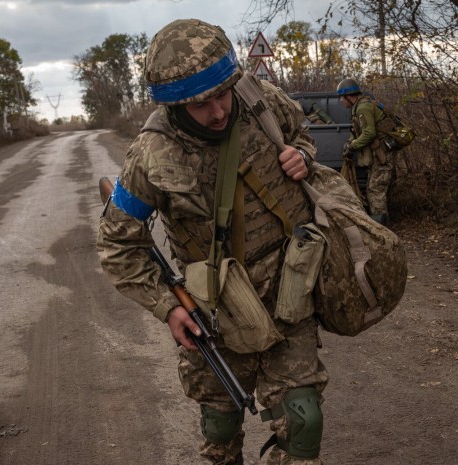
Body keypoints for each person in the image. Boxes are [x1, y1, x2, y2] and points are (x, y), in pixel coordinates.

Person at [96, 19, 328, 465]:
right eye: (201, 104)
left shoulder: (260, 99)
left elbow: (302, 133)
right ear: (174, 105)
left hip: (289, 293)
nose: (219, 111)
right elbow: (117, 246)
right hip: (214, 311)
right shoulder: (151, 154)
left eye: (222, 93)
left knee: (303, 420)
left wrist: (301, 155)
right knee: (221, 433)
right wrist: (169, 308)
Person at [337, 78, 394, 225]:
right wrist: (351, 142)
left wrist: (353, 146)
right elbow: (358, 131)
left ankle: (383, 229)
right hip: (379, 156)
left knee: (375, 191)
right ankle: (382, 225)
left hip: (382, 156)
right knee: (373, 189)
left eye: (341, 98)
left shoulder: (363, 108)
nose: (340, 101)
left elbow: (369, 133)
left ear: (349, 97)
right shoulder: (360, 107)